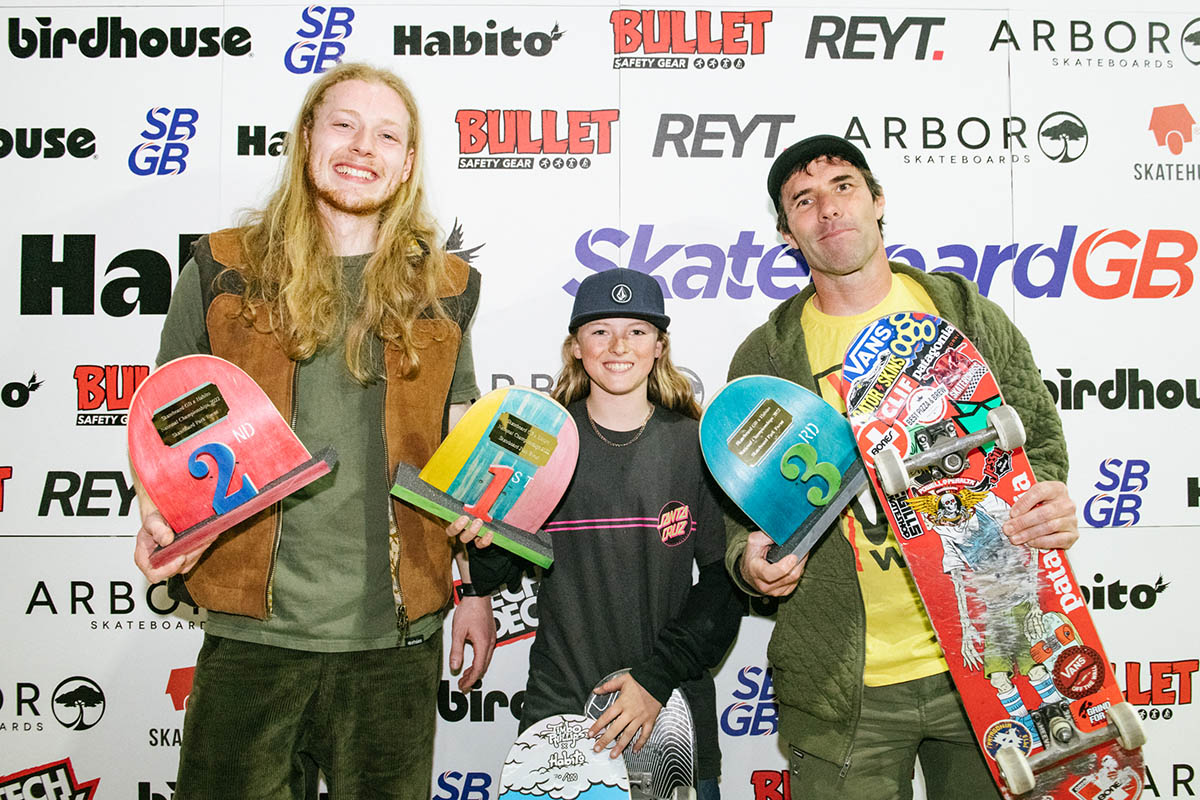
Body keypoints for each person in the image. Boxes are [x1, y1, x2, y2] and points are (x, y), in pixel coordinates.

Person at [131, 62, 495, 800]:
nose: (364, 146)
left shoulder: (447, 287)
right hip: (252, 633)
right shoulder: (222, 268)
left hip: (394, 641)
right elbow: (168, 420)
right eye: (344, 125)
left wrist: (479, 575)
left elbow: (464, 444)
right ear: (305, 139)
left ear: (408, 164)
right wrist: (157, 507)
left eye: (388, 134)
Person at [725, 134, 1080, 799]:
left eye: (842, 186)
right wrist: (750, 562)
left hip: (988, 663)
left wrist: (1048, 499)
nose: (827, 209)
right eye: (804, 200)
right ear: (786, 232)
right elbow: (740, 517)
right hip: (840, 684)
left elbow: (1038, 443)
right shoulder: (766, 359)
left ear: (877, 200)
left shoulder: (964, 314)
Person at [451, 269, 742, 799]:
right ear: (576, 347)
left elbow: (726, 583)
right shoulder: (537, 445)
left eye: (636, 331)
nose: (618, 346)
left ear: (659, 346)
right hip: (560, 717)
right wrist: (480, 537)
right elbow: (497, 570)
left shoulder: (696, 445)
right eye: (600, 330)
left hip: (668, 711)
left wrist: (657, 678)